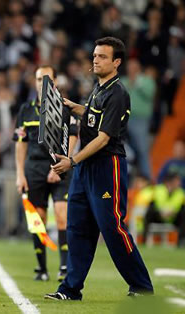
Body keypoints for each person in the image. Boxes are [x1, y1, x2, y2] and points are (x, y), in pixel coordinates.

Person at [45, 37, 154, 300]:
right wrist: (75, 108)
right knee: (77, 227)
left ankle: (142, 286)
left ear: (117, 62)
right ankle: (70, 289)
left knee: (112, 228)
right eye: (94, 55)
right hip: (86, 168)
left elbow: (104, 137)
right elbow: (95, 118)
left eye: (102, 56)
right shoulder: (99, 88)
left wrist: (72, 160)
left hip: (107, 167)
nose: (95, 59)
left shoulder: (118, 93)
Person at [13, 65, 78, 282]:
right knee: (37, 219)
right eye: (39, 79)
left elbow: (74, 137)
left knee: (62, 215)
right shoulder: (26, 110)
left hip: (59, 167)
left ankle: (64, 267)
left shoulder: (65, 107)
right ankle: (41, 268)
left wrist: (63, 163)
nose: (43, 83)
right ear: (35, 82)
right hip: (34, 168)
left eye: (47, 79)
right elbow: (20, 144)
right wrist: (20, 174)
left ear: (56, 82)